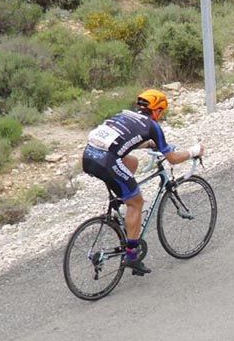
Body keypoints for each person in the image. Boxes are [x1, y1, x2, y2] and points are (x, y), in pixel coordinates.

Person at [81, 88, 205, 276]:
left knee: (132, 162)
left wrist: (148, 144)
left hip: (89, 156)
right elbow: (171, 158)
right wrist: (193, 152)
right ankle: (131, 255)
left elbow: (125, 139)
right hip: (106, 161)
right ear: (157, 111)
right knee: (137, 202)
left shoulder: (125, 114)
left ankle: (124, 208)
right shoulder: (153, 126)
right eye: (161, 113)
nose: (160, 116)